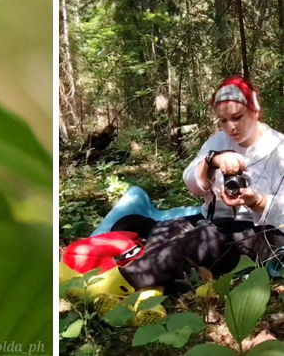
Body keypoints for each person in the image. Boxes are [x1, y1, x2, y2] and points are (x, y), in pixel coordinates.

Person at [113, 76, 284, 292]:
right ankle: (153, 287)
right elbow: (192, 184)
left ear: (254, 111)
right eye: (222, 120)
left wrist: (256, 201)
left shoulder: (278, 148)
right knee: (168, 227)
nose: (230, 127)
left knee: (203, 240)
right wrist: (211, 161)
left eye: (237, 117)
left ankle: (123, 283)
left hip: (263, 232)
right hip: (217, 220)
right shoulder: (219, 141)